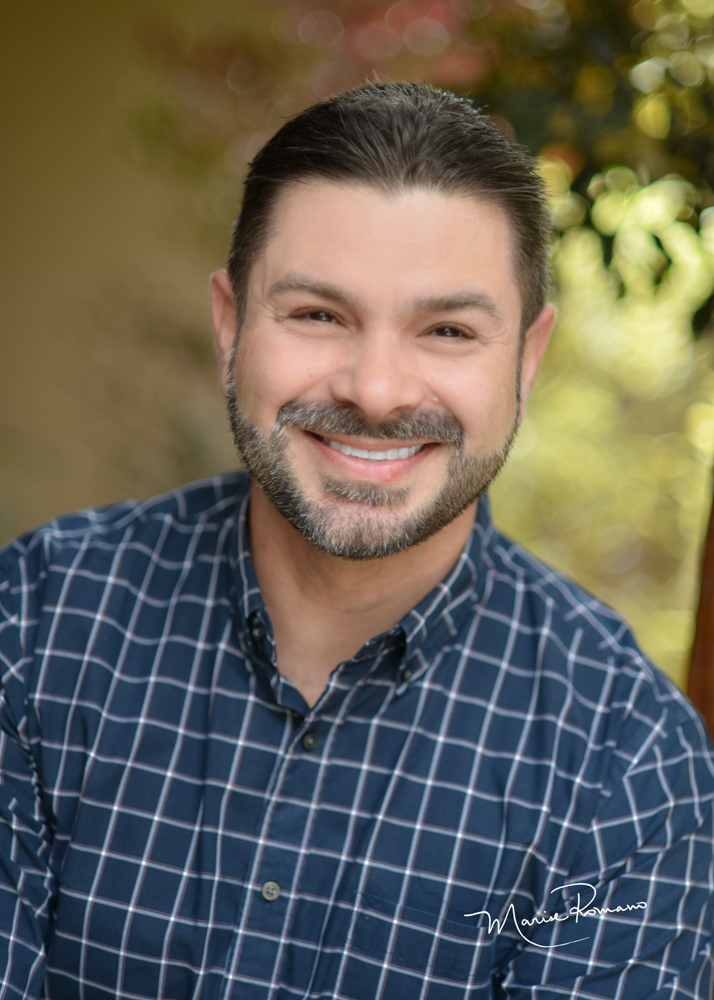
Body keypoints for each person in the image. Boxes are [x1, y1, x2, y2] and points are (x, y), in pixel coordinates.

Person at [0, 82, 712, 1000]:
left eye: (448, 329)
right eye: (319, 315)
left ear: (527, 358)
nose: (376, 391)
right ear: (230, 326)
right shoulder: (35, 621)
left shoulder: (627, 763)